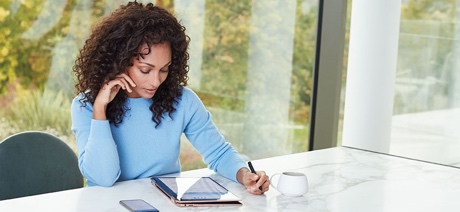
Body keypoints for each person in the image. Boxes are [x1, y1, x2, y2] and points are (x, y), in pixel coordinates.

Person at [71, 1, 269, 195]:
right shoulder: (87, 106)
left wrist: (245, 176)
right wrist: (100, 110)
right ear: (120, 62)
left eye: (164, 69)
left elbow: (219, 152)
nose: (156, 81)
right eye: (145, 70)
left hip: (165, 205)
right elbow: (103, 178)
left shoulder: (183, 101)